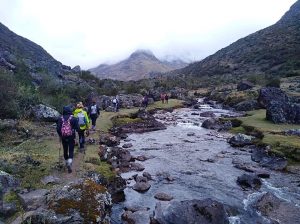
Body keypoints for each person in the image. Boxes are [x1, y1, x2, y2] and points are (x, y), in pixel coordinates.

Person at [56, 106, 79, 173]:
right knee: (71, 150)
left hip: (63, 137)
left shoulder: (60, 119)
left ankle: (66, 162)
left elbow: (58, 129)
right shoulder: (73, 118)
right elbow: (77, 128)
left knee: (65, 150)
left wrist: (60, 135)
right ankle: (69, 162)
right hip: (71, 137)